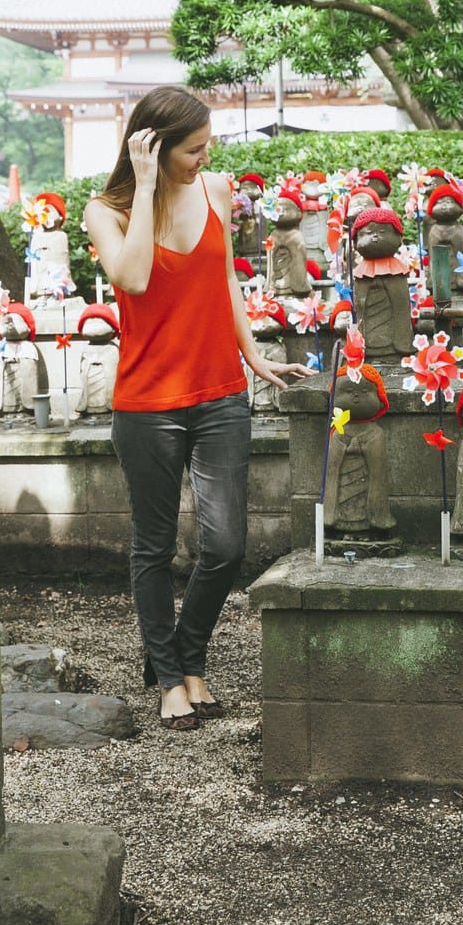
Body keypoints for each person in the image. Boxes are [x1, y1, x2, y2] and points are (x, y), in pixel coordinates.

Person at [85, 87, 314, 731]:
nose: (204, 158)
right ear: (153, 145)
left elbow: (226, 283)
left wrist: (255, 358)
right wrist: (149, 184)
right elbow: (131, 279)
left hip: (219, 395)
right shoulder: (104, 211)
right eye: (193, 148)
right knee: (154, 548)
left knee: (226, 546)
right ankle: (175, 680)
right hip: (147, 403)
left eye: (206, 146)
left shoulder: (214, 190)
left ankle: (181, 658)